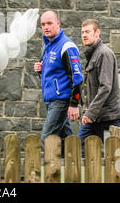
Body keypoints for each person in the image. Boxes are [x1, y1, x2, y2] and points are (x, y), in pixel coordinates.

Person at [34, 10, 83, 151]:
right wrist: (40, 71)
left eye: (49, 23)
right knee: (65, 141)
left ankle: (48, 172)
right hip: (50, 101)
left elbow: (77, 77)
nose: (46, 27)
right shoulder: (47, 46)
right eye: (43, 24)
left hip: (61, 101)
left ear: (58, 24)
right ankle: (71, 170)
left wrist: (74, 104)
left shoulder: (67, 46)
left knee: (47, 139)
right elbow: (53, 74)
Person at [78, 19, 120, 152]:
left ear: (97, 33)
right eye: (82, 32)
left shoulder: (104, 54)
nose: (84, 35)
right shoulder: (92, 54)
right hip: (94, 118)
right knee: (80, 148)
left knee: (113, 156)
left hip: (108, 118)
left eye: (87, 32)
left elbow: (105, 87)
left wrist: (89, 113)